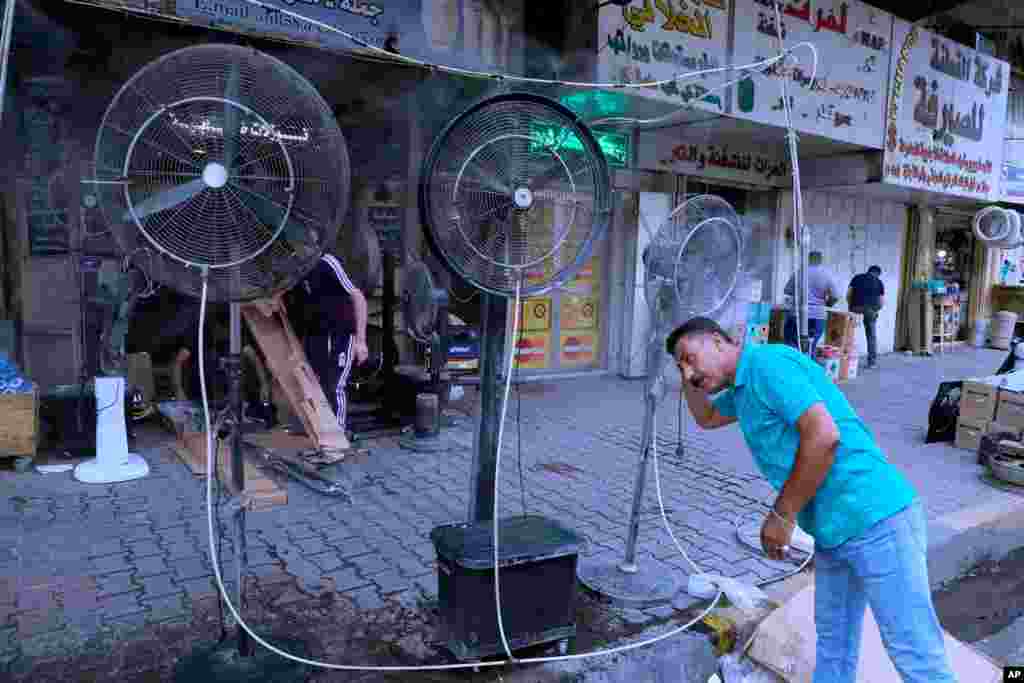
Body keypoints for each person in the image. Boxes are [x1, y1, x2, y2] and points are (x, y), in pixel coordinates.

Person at [666, 316, 956, 683]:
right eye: (681, 365)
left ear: (716, 340)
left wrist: (782, 517)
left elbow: (823, 437)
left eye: (691, 357)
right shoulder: (741, 390)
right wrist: (686, 375)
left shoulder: (767, 365)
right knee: (834, 647)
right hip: (833, 532)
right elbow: (706, 417)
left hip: (875, 515)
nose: (689, 371)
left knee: (914, 653)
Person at [285, 252, 369, 432]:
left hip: (341, 333)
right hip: (316, 335)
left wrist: (361, 341)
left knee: (335, 385)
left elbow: (357, 296)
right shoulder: (293, 273)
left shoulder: (326, 261)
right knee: (312, 384)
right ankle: (320, 432)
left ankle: (337, 437)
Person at [784, 251, 840, 356]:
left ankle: (793, 368)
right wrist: (827, 304)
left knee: (792, 345)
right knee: (811, 346)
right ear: (820, 260)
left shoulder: (799, 272)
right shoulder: (826, 274)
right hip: (817, 315)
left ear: (808, 259)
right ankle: (808, 367)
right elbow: (835, 296)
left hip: (797, 314)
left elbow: (787, 290)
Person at [848, 265, 885, 369]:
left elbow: (849, 294)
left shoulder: (857, 278)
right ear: (877, 273)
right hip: (870, 310)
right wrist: (876, 311)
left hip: (855, 308)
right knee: (871, 336)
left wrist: (850, 307)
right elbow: (881, 301)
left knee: (849, 333)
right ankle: (872, 362)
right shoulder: (879, 282)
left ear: (868, 271)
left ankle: (845, 359)